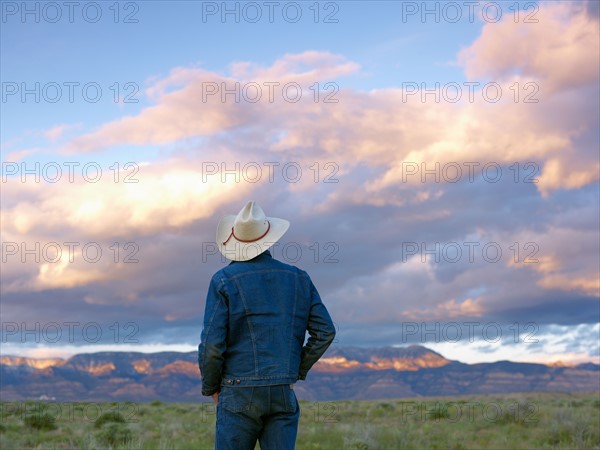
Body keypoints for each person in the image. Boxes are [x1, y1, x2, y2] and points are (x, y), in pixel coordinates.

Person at [198, 200, 336, 450]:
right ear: (267, 238)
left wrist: (211, 388)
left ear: (235, 240)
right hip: (282, 390)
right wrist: (295, 371)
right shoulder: (299, 278)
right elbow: (325, 332)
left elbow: (212, 345)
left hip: (237, 391)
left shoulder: (223, 280)